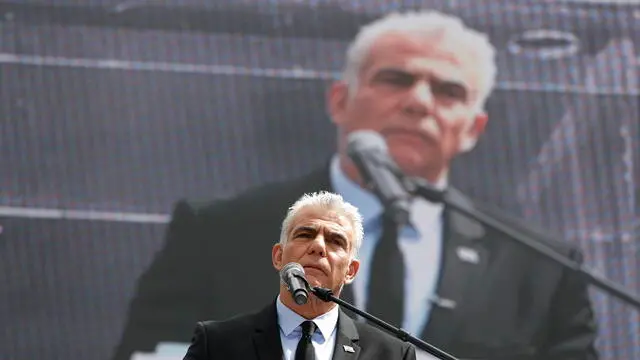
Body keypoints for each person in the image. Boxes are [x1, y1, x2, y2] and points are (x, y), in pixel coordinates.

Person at [112, 10, 599, 360]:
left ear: (473, 128)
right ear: (340, 101)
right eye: (396, 79)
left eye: (448, 91)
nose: (419, 103)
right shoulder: (221, 231)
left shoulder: (540, 266)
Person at [182, 191, 416, 360]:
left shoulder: (392, 355)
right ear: (278, 257)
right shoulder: (217, 344)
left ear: (351, 271)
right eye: (305, 234)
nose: (318, 247)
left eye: (335, 241)